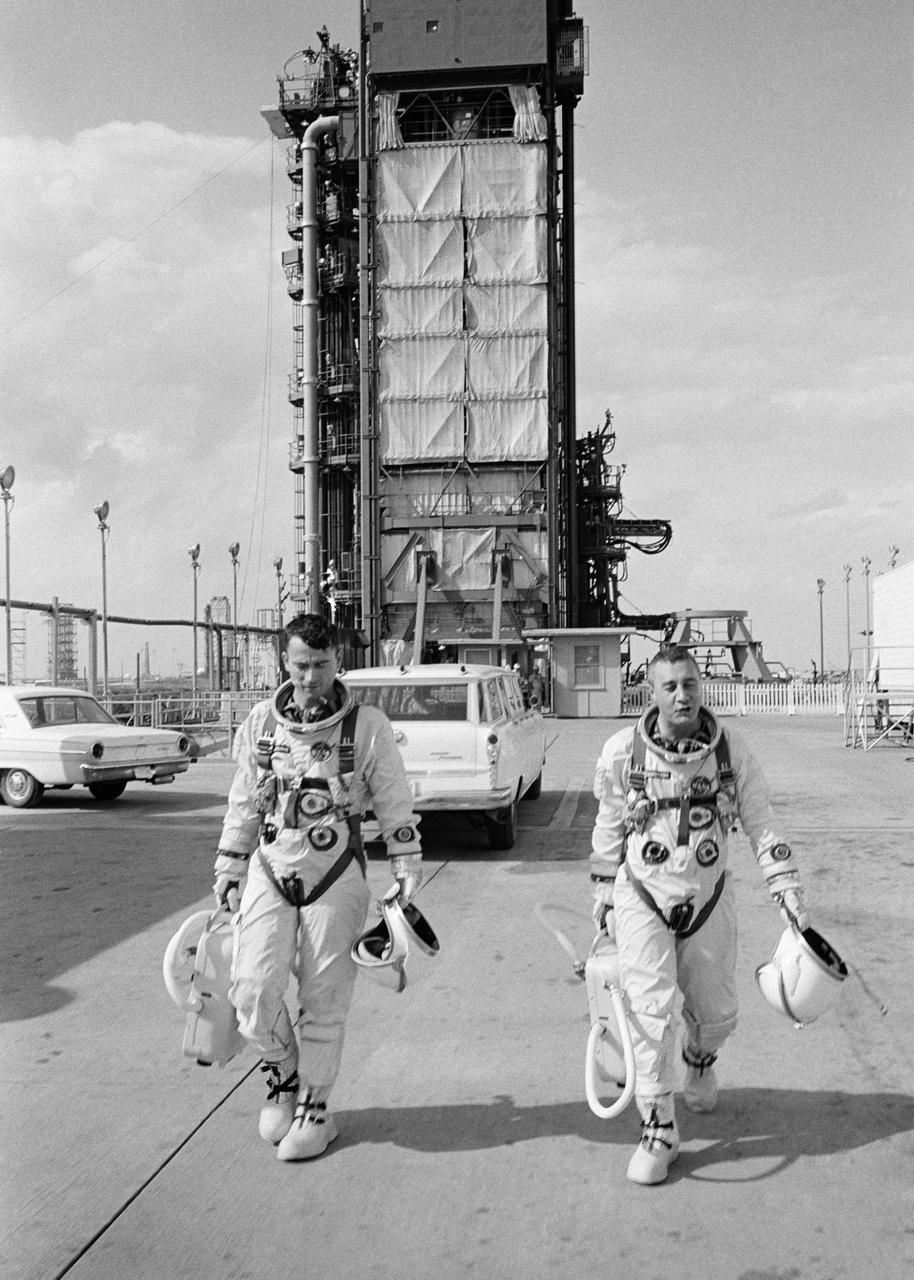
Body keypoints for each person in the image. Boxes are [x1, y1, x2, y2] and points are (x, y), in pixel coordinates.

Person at [589, 644, 810, 1186]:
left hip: (708, 895)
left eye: (689, 684)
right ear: (653, 691)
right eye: (670, 686)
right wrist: (603, 898)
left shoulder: (730, 750)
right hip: (642, 895)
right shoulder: (623, 752)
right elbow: (609, 824)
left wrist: (784, 882)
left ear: (699, 685)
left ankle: (701, 1058)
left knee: (718, 1013)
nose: (682, 695)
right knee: (647, 1011)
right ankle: (659, 1126)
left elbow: (761, 818)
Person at [212, 613, 422, 1161]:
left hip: (335, 871)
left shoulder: (368, 725)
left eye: (322, 666)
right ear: (285, 661)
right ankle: (282, 1071)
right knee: (252, 990)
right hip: (270, 865)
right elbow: (242, 800)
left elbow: (396, 800)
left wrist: (406, 867)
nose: (310, 678)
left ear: (338, 663)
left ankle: (315, 1104)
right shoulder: (261, 723)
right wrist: (229, 868)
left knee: (324, 999)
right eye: (301, 665)